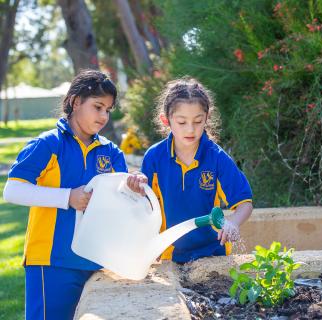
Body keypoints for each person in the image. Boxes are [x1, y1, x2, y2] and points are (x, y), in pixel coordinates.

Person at [3, 70, 127, 320]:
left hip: (97, 261)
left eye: (108, 110)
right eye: (98, 107)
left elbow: (120, 200)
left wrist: (132, 187)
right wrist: (67, 197)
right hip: (52, 261)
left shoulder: (111, 152)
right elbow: (12, 190)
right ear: (75, 102)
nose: (104, 116)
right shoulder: (48, 144)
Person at [127, 77, 253, 263]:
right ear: (166, 120)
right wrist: (136, 184)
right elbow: (144, 205)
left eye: (198, 121)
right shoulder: (154, 157)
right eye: (182, 122)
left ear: (206, 118)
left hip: (213, 253)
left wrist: (233, 223)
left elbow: (245, 204)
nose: (190, 129)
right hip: (169, 255)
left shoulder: (217, 158)